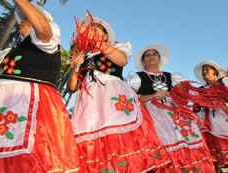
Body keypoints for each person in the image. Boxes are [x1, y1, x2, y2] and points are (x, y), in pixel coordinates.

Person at [67, 16, 171, 172]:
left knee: (120, 134)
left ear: (105, 36)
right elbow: (72, 87)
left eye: (95, 30)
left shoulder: (117, 47)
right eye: (89, 30)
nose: (91, 32)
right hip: (89, 101)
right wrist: (75, 67)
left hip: (111, 94)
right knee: (95, 137)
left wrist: (96, 43)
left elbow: (121, 60)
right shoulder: (82, 56)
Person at [0, 1, 80, 172]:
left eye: (28, 18)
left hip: (29, 107)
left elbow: (43, 29)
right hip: (3, 107)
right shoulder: (9, 52)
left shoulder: (47, 44)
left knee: (27, 162)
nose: (23, 21)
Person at [126, 45, 216, 173]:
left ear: (159, 58)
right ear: (143, 61)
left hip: (175, 114)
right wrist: (153, 96)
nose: (152, 56)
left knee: (185, 141)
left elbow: (184, 96)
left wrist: (181, 94)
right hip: (152, 115)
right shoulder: (137, 77)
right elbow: (132, 100)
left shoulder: (172, 76)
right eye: (147, 55)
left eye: (154, 54)